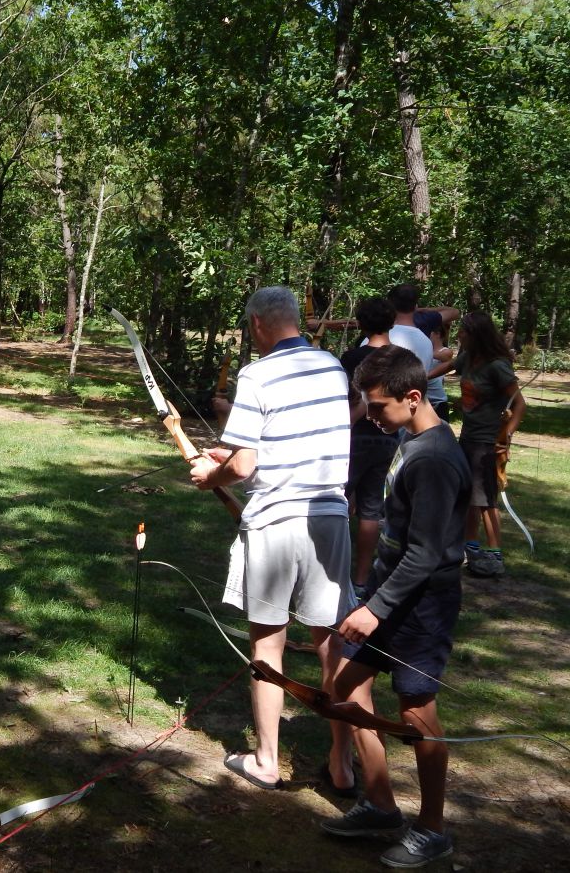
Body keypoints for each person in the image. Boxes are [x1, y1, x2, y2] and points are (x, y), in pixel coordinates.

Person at [189, 286, 354, 793]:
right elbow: (287, 441)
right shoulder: (331, 364)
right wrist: (227, 461)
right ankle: (343, 764)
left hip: (277, 522)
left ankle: (265, 760)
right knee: (329, 643)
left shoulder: (257, 373)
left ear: (258, 325)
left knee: (269, 642)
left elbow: (244, 465)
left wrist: (209, 476)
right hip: (330, 516)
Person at [321, 345, 470, 869]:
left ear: (413, 396)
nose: (372, 416)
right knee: (344, 686)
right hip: (390, 596)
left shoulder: (433, 457)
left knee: (416, 712)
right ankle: (381, 803)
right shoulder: (411, 436)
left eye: (379, 407)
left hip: (422, 606)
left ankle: (432, 829)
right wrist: (373, 596)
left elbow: (428, 552)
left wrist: (374, 608)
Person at [434, 312, 526, 577]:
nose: (459, 334)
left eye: (463, 330)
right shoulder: (470, 358)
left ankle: (495, 555)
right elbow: (447, 367)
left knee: (485, 498)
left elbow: (519, 404)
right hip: (469, 438)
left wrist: (505, 437)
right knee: (470, 495)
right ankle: (470, 548)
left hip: (487, 442)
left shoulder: (497, 366)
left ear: (476, 334)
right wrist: (418, 378)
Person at [340, 298, 400, 598]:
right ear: (391, 323)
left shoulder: (352, 358)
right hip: (388, 438)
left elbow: (343, 399)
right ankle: (361, 581)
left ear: (361, 324)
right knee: (371, 508)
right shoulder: (402, 358)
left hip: (353, 437)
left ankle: (333, 575)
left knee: (338, 502)